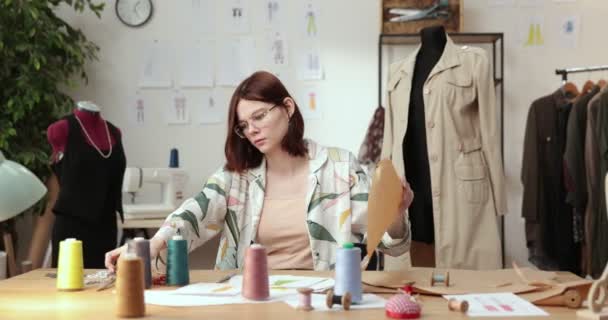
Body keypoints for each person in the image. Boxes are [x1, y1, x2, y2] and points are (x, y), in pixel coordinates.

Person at [105, 71, 413, 272]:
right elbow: (192, 214)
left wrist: (396, 213)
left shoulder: (340, 167)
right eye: (244, 125)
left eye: (260, 116)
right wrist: (146, 245)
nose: (252, 130)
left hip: (323, 304)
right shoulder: (234, 178)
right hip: (252, 303)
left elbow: (391, 244)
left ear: (288, 108)